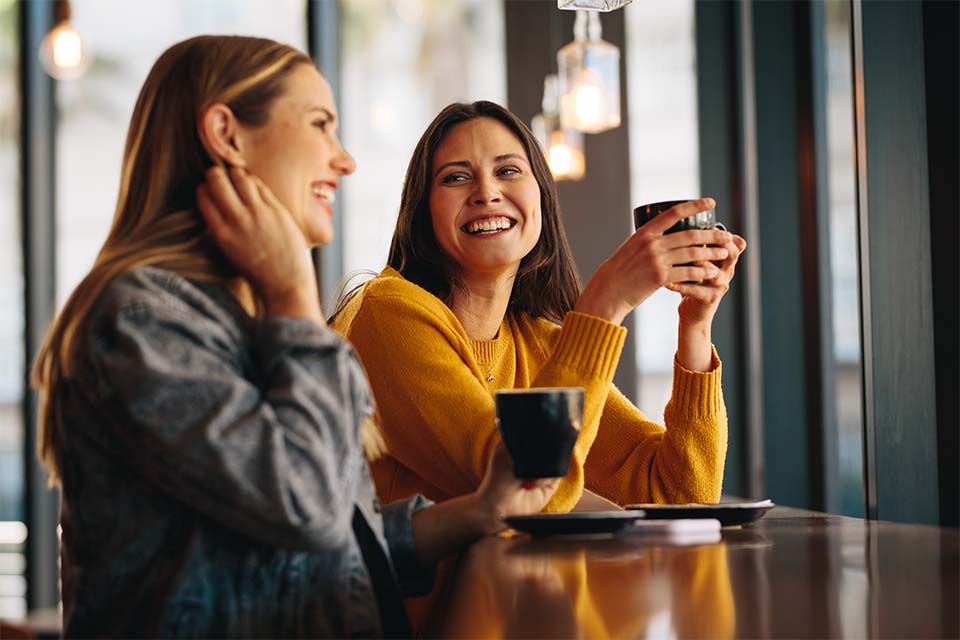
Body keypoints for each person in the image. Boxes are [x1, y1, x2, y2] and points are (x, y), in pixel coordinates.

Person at [31, 38, 557, 637]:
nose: (345, 160)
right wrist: (294, 298)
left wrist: (477, 512)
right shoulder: (140, 321)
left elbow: (326, 547)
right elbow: (303, 506)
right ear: (227, 135)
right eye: (320, 125)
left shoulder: (243, 318)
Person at [332, 100, 747, 513]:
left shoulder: (538, 344)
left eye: (508, 171)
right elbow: (522, 490)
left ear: (542, 199)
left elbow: (679, 496)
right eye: (456, 178)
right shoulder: (389, 313)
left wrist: (695, 325)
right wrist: (606, 301)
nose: (486, 193)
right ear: (423, 212)